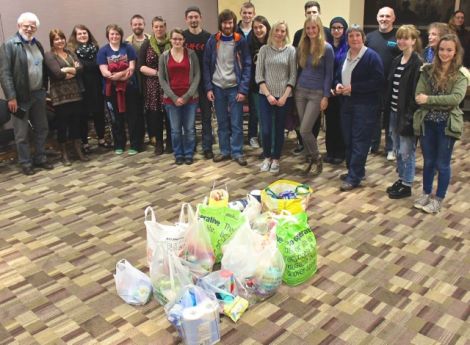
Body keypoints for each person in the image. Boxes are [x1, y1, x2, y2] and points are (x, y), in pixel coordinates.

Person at [413, 34, 469, 213]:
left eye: (449, 50)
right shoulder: (427, 70)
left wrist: (429, 99)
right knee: (428, 161)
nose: (445, 53)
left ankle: (439, 199)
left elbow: (455, 99)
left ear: (455, 52)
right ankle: (426, 193)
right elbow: (417, 95)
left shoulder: (461, 74)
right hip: (427, 122)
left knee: (442, 164)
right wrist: (433, 100)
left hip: (447, 124)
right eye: (442, 49)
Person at [0, 12, 53, 175]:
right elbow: (5, 73)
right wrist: (11, 97)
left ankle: (40, 158)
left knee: (42, 128)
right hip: (20, 98)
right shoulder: (10, 45)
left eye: (32, 26)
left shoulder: (37, 44)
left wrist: (45, 90)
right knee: (21, 133)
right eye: (26, 26)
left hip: (38, 94)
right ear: (19, 26)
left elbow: (42, 69)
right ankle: (25, 162)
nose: (29, 29)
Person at [334, 25, 384, 192]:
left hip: (365, 105)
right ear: (347, 39)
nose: (354, 39)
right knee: (348, 139)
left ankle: (354, 177)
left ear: (363, 38)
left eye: (357, 35)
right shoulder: (344, 57)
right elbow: (337, 76)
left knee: (359, 141)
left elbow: (378, 82)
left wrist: (353, 88)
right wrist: (338, 85)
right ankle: (354, 171)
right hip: (347, 103)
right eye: (351, 36)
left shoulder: (371, 57)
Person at [203, 9, 251, 166]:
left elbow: (247, 65)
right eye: (225, 22)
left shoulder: (240, 41)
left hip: (235, 87)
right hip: (217, 87)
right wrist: (209, 88)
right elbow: (206, 66)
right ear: (220, 24)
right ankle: (224, 151)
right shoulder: (212, 40)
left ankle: (237, 152)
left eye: (230, 22)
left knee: (236, 123)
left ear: (233, 23)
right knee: (222, 122)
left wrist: (243, 89)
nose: (228, 25)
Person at [384, 25, 423, 199]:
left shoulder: (417, 63)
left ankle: (407, 184)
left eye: (406, 38)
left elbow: (415, 94)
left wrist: (409, 116)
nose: (401, 41)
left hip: (407, 115)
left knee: (407, 150)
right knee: (398, 148)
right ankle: (401, 178)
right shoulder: (397, 60)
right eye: (399, 38)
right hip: (393, 112)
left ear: (413, 41)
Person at [291, 1, 332, 155]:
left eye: (313, 27)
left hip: (316, 93)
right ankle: (309, 156)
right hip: (301, 91)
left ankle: (316, 157)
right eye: (308, 28)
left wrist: (326, 96)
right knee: (303, 128)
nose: (311, 30)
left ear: (319, 28)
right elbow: (297, 67)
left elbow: (329, 74)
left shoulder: (327, 48)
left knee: (305, 129)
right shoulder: (302, 45)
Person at [256, 21, 296, 174]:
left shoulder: (291, 50)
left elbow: (293, 76)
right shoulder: (264, 50)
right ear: (272, 32)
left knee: (279, 129)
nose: (280, 33)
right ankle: (267, 157)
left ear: (286, 33)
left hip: (284, 97)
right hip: (265, 96)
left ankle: (276, 158)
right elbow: (259, 75)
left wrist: (285, 96)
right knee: (265, 130)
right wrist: (268, 95)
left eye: (283, 31)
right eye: (277, 30)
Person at [97, 24, 144, 155]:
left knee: (133, 117)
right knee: (116, 118)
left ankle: (135, 145)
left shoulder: (128, 48)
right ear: (108, 36)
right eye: (112, 34)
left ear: (121, 35)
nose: (114, 36)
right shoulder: (103, 51)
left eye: (117, 34)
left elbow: (131, 69)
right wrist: (115, 76)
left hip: (129, 88)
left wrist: (119, 75)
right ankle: (119, 144)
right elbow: (104, 71)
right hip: (111, 90)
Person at [45, 29, 89, 165]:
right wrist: (71, 70)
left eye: (61, 38)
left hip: (75, 94)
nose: (60, 41)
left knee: (76, 122)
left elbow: (81, 68)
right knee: (62, 125)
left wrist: (68, 70)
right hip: (60, 96)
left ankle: (77, 149)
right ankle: (64, 154)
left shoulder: (70, 52)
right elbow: (57, 73)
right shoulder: (49, 55)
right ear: (52, 41)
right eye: (56, 39)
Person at [158, 29, 200, 165]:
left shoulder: (191, 54)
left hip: (190, 98)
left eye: (180, 39)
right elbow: (162, 79)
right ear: (170, 40)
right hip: (171, 99)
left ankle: (188, 153)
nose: (177, 41)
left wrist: (187, 96)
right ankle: (178, 154)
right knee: (175, 130)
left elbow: (197, 76)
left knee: (189, 128)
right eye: (175, 39)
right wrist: (174, 97)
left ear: (184, 40)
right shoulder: (164, 56)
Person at [68, 24, 110, 151]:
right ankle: (85, 143)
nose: (82, 35)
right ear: (75, 37)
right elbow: (79, 69)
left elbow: (97, 65)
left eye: (84, 33)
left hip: (96, 86)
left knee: (99, 114)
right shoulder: (71, 52)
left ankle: (101, 139)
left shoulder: (96, 48)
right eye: (79, 34)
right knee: (83, 116)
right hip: (81, 88)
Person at [366, 6, 400, 160]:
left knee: (390, 118)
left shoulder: (398, 37)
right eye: (381, 16)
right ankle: (372, 144)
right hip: (373, 85)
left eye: (388, 16)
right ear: (377, 18)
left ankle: (390, 148)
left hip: (393, 85)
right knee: (372, 116)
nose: (384, 19)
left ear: (393, 18)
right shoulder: (369, 37)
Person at [138, 16, 172, 155]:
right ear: (152, 28)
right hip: (153, 86)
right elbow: (140, 66)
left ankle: (170, 143)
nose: (159, 29)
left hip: (170, 85)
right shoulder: (146, 44)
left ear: (165, 27)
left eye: (161, 26)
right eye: (156, 26)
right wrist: (159, 73)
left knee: (171, 116)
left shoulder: (172, 42)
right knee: (155, 117)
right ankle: (159, 143)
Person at [183, 6, 214, 159]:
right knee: (189, 118)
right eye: (190, 17)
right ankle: (191, 144)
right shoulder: (181, 37)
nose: (193, 20)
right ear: (186, 19)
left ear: (200, 18)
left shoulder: (209, 37)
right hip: (187, 85)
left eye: (196, 17)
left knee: (206, 117)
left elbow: (212, 62)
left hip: (204, 85)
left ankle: (207, 146)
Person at [324, 17, 348, 165]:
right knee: (330, 122)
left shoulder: (347, 47)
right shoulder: (327, 46)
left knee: (340, 123)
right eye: (333, 27)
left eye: (339, 27)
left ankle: (340, 152)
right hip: (329, 89)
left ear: (344, 29)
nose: (336, 30)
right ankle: (330, 151)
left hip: (342, 90)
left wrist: (337, 86)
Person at [248, 16, 271, 152]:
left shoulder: (273, 42)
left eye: (260, 27)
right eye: (255, 28)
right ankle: (263, 142)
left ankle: (268, 142)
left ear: (267, 27)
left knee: (269, 116)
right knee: (259, 114)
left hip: (272, 86)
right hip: (256, 86)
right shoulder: (249, 43)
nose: (258, 30)